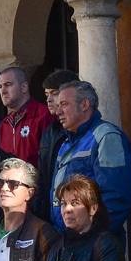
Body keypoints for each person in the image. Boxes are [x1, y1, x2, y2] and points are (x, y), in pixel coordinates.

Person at [49, 81, 131, 232]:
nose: (58, 112)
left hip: (95, 245)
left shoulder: (106, 136)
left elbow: (116, 197)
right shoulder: (65, 144)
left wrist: (95, 237)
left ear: (84, 105)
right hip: (68, 241)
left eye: (64, 104)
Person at [35, 69, 79, 220]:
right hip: (52, 217)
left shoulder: (81, 131)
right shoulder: (49, 131)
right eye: (47, 95)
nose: (48, 100)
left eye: (54, 93)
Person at [0, 67, 55, 165]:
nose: (3, 91)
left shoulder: (44, 115)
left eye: (8, 85)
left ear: (24, 87)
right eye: (0, 87)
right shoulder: (4, 125)